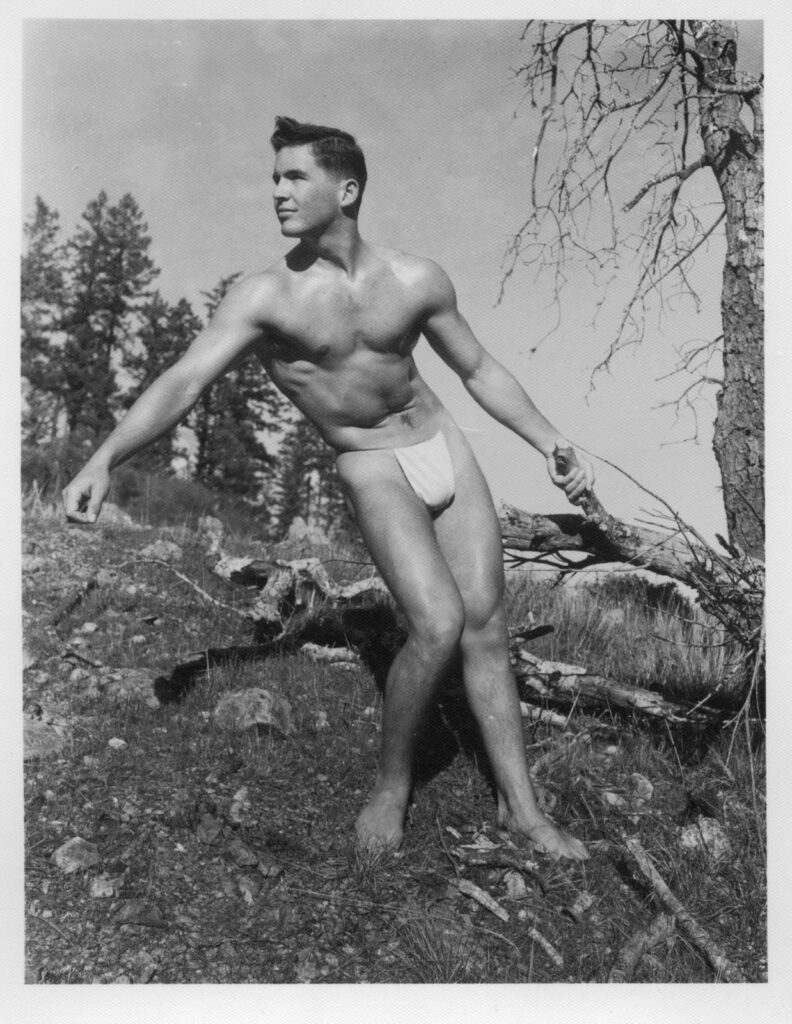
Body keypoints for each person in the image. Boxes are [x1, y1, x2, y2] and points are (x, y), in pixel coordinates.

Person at [63, 116, 594, 860]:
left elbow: (476, 369)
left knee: (485, 628)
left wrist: (549, 440)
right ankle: (391, 787)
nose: (277, 192)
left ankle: (524, 811)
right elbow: (185, 379)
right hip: (370, 462)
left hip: (440, 443)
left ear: (346, 191)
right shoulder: (266, 297)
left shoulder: (416, 279)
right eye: (274, 178)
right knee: (437, 624)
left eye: (294, 177)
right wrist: (104, 458)